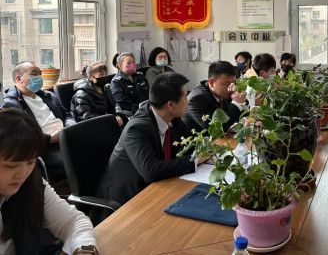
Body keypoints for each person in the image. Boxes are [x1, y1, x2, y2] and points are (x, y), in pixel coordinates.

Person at [0, 108, 97, 254]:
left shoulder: (32, 183)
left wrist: (84, 248)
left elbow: (73, 221)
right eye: (11, 166)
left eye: (30, 162)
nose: (22, 174)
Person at [98, 73, 196, 206]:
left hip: (158, 186)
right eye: (185, 96)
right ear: (170, 105)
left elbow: (191, 143)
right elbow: (151, 171)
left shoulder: (173, 118)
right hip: (128, 199)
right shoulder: (137, 129)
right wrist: (194, 160)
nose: (188, 101)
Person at [2, 62, 68, 182]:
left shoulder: (48, 95)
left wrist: (71, 128)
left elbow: (67, 115)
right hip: (44, 147)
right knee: (74, 159)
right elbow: (22, 138)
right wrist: (51, 138)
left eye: (40, 73)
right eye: (34, 74)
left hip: (66, 137)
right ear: (18, 79)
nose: (39, 77)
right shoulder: (11, 105)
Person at [184, 61, 247, 133]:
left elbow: (239, 113)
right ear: (211, 82)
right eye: (226, 83)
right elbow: (216, 130)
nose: (232, 87)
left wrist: (241, 99)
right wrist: (236, 103)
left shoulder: (223, 92)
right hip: (199, 139)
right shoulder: (197, 99)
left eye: (233, 82)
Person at [110, 52, 149, 120]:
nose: (132, 65)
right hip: (130, 113)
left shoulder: (140, 76)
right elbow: (123, 102)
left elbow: (149, 92)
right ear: (120, 65)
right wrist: (141, 111)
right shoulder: (116, 82)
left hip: (147, 109)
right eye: (128, 63)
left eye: (133, 62)